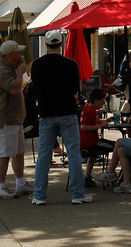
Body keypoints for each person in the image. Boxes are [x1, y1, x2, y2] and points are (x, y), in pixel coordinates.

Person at [31, 31, 91, 204]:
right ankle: (78, 194)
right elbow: (74, 89)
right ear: (61, 44)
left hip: (47, 112)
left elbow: (36, 88)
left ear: (46, 45)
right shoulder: (71, 64)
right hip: (67, 111)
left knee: (44, 154)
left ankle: (39, 195)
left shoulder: (37, 65)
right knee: (73, 154)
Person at [0, 41, 31, 199]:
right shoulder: (1, 70)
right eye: (18, 52)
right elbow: (14, 88)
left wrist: (19, 67)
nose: (21, 55)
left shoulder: (8, 66)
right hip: (5, 119)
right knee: (5, 154)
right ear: (11, 55)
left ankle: (20, 183)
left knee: (18, 153)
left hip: (14, 118)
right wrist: (20, 71)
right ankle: (1, 187)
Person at [79, 88, 116, 187]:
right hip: (90, 142)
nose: (104, 103)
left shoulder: (89, 108)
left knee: (93, 157)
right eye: (102, 101)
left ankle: (87, 176)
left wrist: (105, 120)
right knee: (117, 146)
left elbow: (95, 121)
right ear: (96, 101)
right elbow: (84, 126)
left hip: (87, 141)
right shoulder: (90, 111)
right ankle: (110, 172)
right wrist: (100, 126)